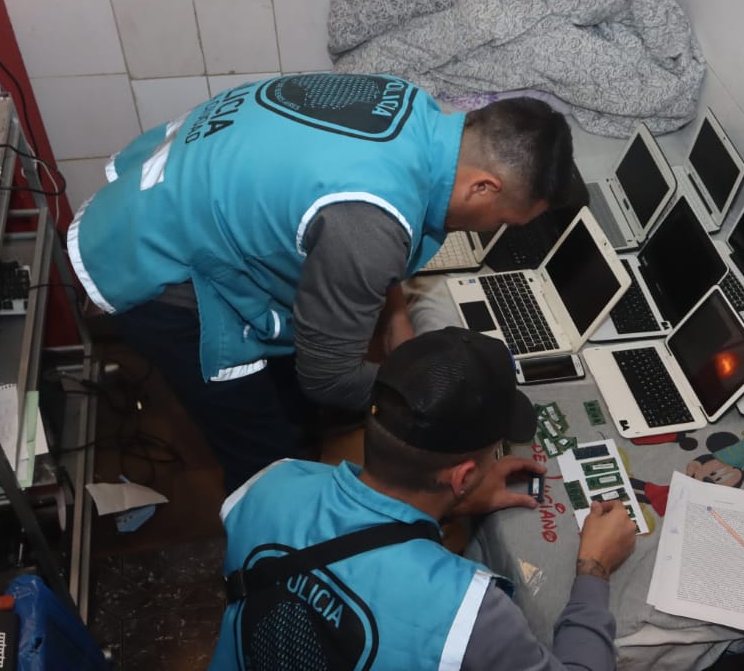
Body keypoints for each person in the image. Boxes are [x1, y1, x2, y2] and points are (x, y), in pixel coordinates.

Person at [190, 326, 637, 671]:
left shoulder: (269, 484)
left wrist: (449, 506)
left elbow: (352, 554)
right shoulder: (466, 612)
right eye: (490, 456)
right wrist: (594, 568)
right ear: (462, 474)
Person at [66, 73, 579, 491]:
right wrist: (436, 398)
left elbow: (374, 226)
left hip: (159, 194)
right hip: (151, 264)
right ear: (484, 186)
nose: (496, 231)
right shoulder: (370, 224)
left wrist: (397, 315)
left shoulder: (408, 103)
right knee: (265, 454)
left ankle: (294, 433)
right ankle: (271, 564)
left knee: (293, 391)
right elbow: (327, 377)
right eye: (504, 220)